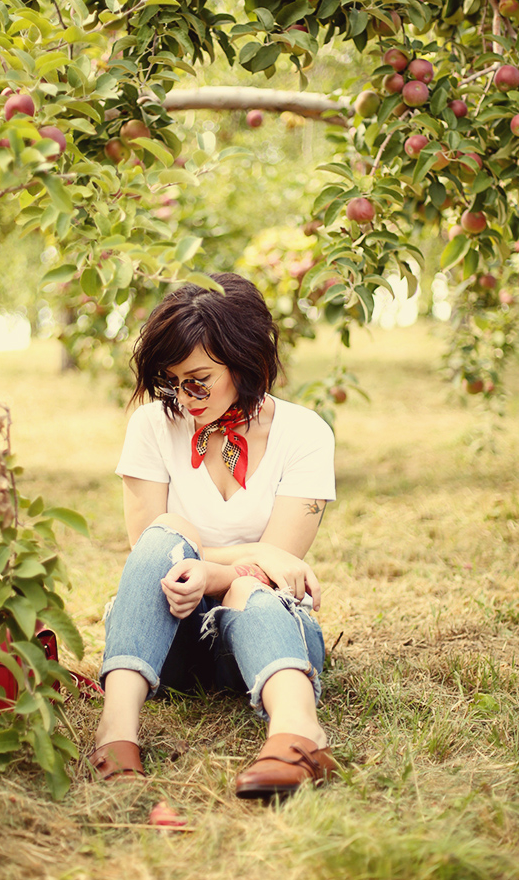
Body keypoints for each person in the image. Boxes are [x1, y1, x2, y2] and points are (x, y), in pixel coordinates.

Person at [90, 273, 337, 799]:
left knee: (250, 586)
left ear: (244, 361)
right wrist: (250, 550)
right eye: (171, 380)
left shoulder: (305, 433)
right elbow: (152, 553)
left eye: (198, 379)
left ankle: (299, 733)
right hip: (168, 637)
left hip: (262, 637)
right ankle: (116, 731)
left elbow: (276, 568)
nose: (184, 396)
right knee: (169, 531)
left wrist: (217, 570)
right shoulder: (154, 425)